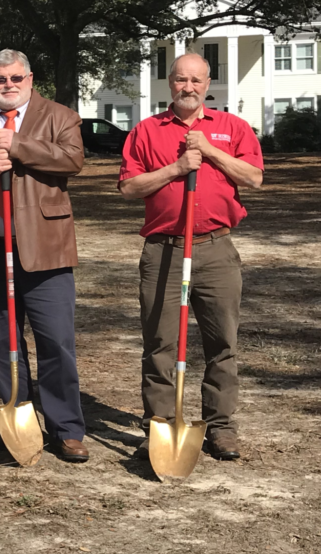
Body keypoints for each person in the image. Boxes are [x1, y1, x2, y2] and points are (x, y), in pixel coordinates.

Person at [0, 48, 90, 462]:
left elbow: (73, 159)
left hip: (46, 247)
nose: (7, 86)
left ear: (30, 80)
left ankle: (67, 428)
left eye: (15, 79)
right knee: (3, 341)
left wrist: (20, 145)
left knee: (55, 341)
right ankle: (20, 421)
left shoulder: (60, 116)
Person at [119, 52, 263, 461]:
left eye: (196, 80)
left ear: (208, 83)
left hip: (216, 249)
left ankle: (220, 427)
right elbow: (129, 188)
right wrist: (178, 167)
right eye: (181, 80)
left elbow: (253, 177)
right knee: (160, 343)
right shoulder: (146, 131)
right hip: (163, 250)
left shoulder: (231, 127)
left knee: (222, 342)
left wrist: (211, 153)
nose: (189, 87)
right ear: (170, 82)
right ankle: (161, 427)